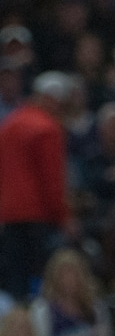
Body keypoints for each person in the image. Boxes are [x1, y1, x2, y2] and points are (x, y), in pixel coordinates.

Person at [0, 71, 76, 301]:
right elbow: (52, 180)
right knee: (41, 276)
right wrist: (64, 218)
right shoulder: (46, 128)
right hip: (38, 215)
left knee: (15, 280)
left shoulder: (9, 124)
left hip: (8, 215)